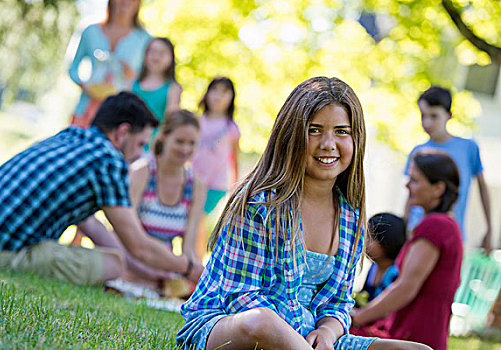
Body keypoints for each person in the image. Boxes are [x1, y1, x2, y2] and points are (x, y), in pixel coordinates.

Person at [176, 77, 430, 350]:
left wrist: (329, 332)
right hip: (229, 326)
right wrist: (299, 340)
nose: (328, 143)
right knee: (262, 322)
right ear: (291, 135)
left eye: (342, 131)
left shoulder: (350, 216)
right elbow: (240, 297)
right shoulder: (259, 204)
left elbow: (338, 302)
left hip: (308, 340)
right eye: (315, 130)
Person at [0, 92, 202, 286]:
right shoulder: (108, 160)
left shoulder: (72, 136)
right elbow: (139, 246)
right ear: (122, 132)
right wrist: (190, 269)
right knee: (113, 265)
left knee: (116, 259)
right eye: (140, 144)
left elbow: (91, 225)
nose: (138, 154)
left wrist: (150, 273)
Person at [78, 109, 205, 288]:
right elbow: (126, 234)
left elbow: (189, 248)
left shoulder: (196, 185)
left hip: (164, 271)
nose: (185, 149)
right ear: (163, 137)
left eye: (192, 143)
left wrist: (194, 275)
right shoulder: (142, 172)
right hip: (128, 264)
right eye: (179, 141)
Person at [352, 151, 463, 350]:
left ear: (438, 188)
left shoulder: (436, 226)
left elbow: (405, 287)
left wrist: (359, 317)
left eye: (415, 181)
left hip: (416, 334)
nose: (407, 186)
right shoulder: (445, 225)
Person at [404, 86, 492, 251]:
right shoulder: (418, 151)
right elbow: (410, 195)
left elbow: (482, 188)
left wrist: (489, 228)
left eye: (434, 116)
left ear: (449, 115)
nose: (427, 122)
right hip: (418, 230)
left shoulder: (468, 148)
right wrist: (405, 225)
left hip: (452, 232)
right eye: (423, 116)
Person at [68, 0, 151, 128]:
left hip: (120, 113)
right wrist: (84, 86)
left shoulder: (145, 39)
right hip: (86, 108)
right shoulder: (90, 31)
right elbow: (72, 67)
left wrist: (132, 74)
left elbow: (148, 79)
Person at [191, 77, 240, 258]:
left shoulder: (231, 128)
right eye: (215, 90)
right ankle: (192, 257)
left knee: (198, 218)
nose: (218, 96)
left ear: (231, 98)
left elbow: (235, 158)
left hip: (216, 185)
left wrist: (235, 185)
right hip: (194, 181)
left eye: (224, 92)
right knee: (193, 219)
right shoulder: (196, 121)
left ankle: (196, 259)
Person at [132, 37, 182, 141]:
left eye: (162, 53)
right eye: (152, 52)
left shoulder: (173, 88)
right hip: (129, 139)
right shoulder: (133, 80)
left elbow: (169, 121)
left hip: (153, 143)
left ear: (171, 58)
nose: (156, 57)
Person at [361, 213, 406, 302]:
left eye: (372, 237)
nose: (365, 241)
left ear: (387, 243)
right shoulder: (374, 267)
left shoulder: (395, 273)